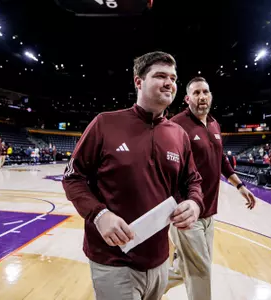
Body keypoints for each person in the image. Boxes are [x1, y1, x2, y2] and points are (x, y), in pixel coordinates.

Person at [62, 51, 204, 300]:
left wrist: (194, 202)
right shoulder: (105, 123)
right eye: (160, 76)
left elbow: (192, 181)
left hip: (160, 259)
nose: (169, 82)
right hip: (113, 259)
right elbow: (73, 177)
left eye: (173, 77)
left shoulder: (178, 135)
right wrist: (99, 215)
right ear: (138, 81)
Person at [166, 77, 256, 300]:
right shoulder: (176, 124)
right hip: (186, 212)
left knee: (184, 268)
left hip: (209, 212)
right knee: (201, 270)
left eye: (205, 92)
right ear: (187, 98)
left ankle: (145, 288)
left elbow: (221, 160)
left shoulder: (215, 124)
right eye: (196, 93)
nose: (202, 97)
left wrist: (240, 186)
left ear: (211, 96)